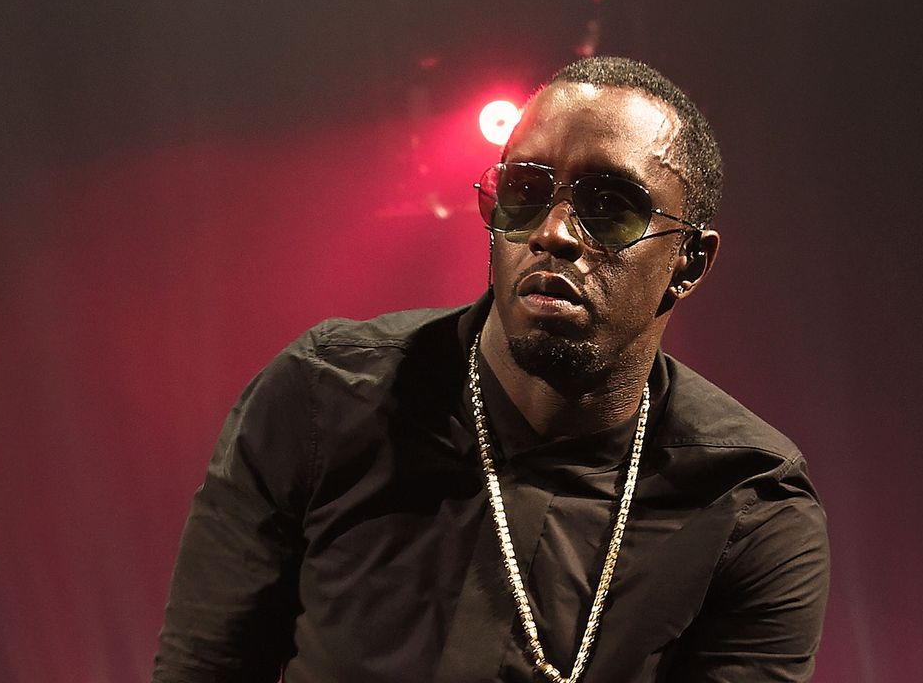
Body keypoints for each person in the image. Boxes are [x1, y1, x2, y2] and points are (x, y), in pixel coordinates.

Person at [152, 56, 829, 682]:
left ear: (689, 262)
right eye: (525, 191)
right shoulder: (325, 397)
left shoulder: (750, 505)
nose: (553, 232)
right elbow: (202, 667)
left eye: (608, 207)